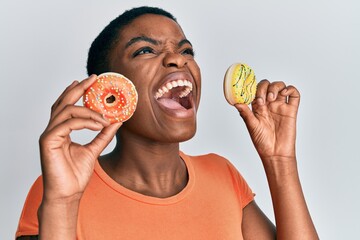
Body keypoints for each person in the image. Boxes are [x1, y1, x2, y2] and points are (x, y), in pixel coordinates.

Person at [15, 6, 319, 240]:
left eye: (186, 50)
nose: (178, 59)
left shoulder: (221, 174)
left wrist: (280, 160)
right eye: (145, 50)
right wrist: (62, 203)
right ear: (109, 88)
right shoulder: (56, 189)